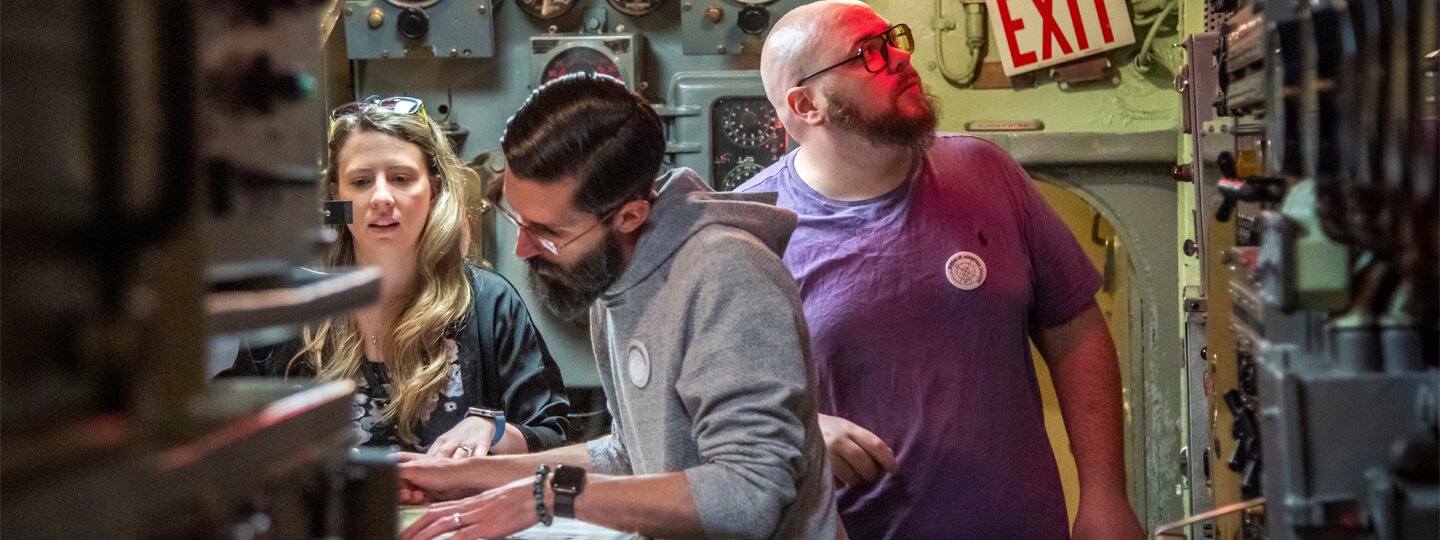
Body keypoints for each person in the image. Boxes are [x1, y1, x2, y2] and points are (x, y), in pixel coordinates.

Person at [734, 2, 1147, 539]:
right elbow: (710, 405)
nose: (903, 57)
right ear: (806, 104)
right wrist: (798, 431)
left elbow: (1075, 329)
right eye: (870, 54)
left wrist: (1104, 494)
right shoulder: (752, 229)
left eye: (894, 40)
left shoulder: (986, 171)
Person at [394, 73, 842, 540]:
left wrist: (547, 496)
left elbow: (748, 496)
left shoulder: (728, 276)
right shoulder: (617, 275)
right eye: (517, 219)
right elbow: (630, 456)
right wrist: (454, 478)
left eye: (548, 232)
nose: (521, 249)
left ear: (629, 217)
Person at [218, 98, 571, 458]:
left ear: (434, 190)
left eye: (401, 178)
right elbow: (227, 438)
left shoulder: (488, 302)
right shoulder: (292, 308)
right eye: (361, 181)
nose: (382, 197)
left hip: (455, 514)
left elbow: (551, 435)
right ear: (337, 196)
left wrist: (493, 430)